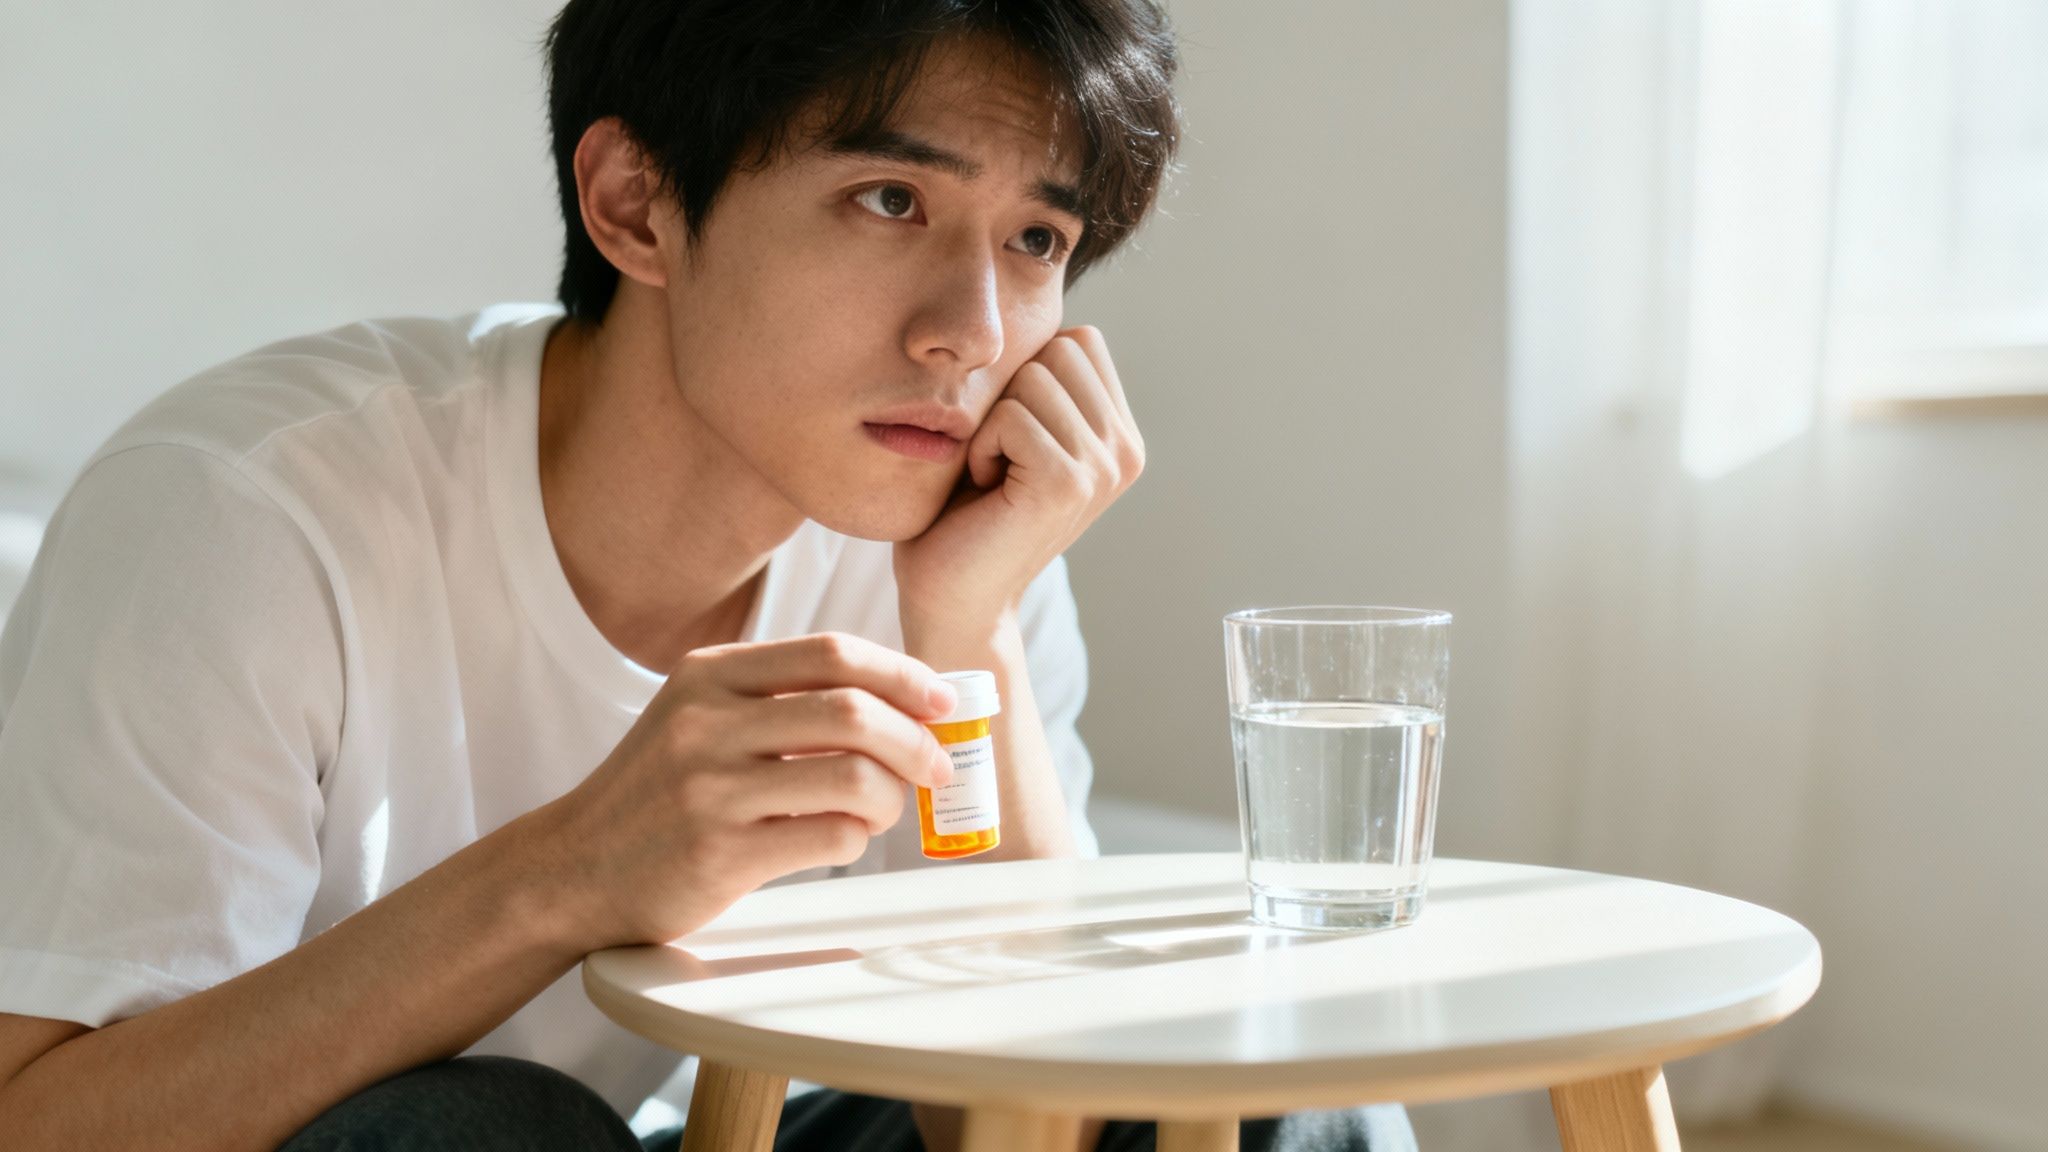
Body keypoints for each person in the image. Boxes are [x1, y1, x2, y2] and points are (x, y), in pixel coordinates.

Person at [0, 2, 1416, 1149]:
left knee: (1268, 1098)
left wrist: (970, 634)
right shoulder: (252, 505)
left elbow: (1017, 1119)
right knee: (476, 1133)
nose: (972, 334)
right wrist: (560, 876)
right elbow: (39, 1122)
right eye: (888, 198)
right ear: (636, 205)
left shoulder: (958, 535)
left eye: (1036, 240)